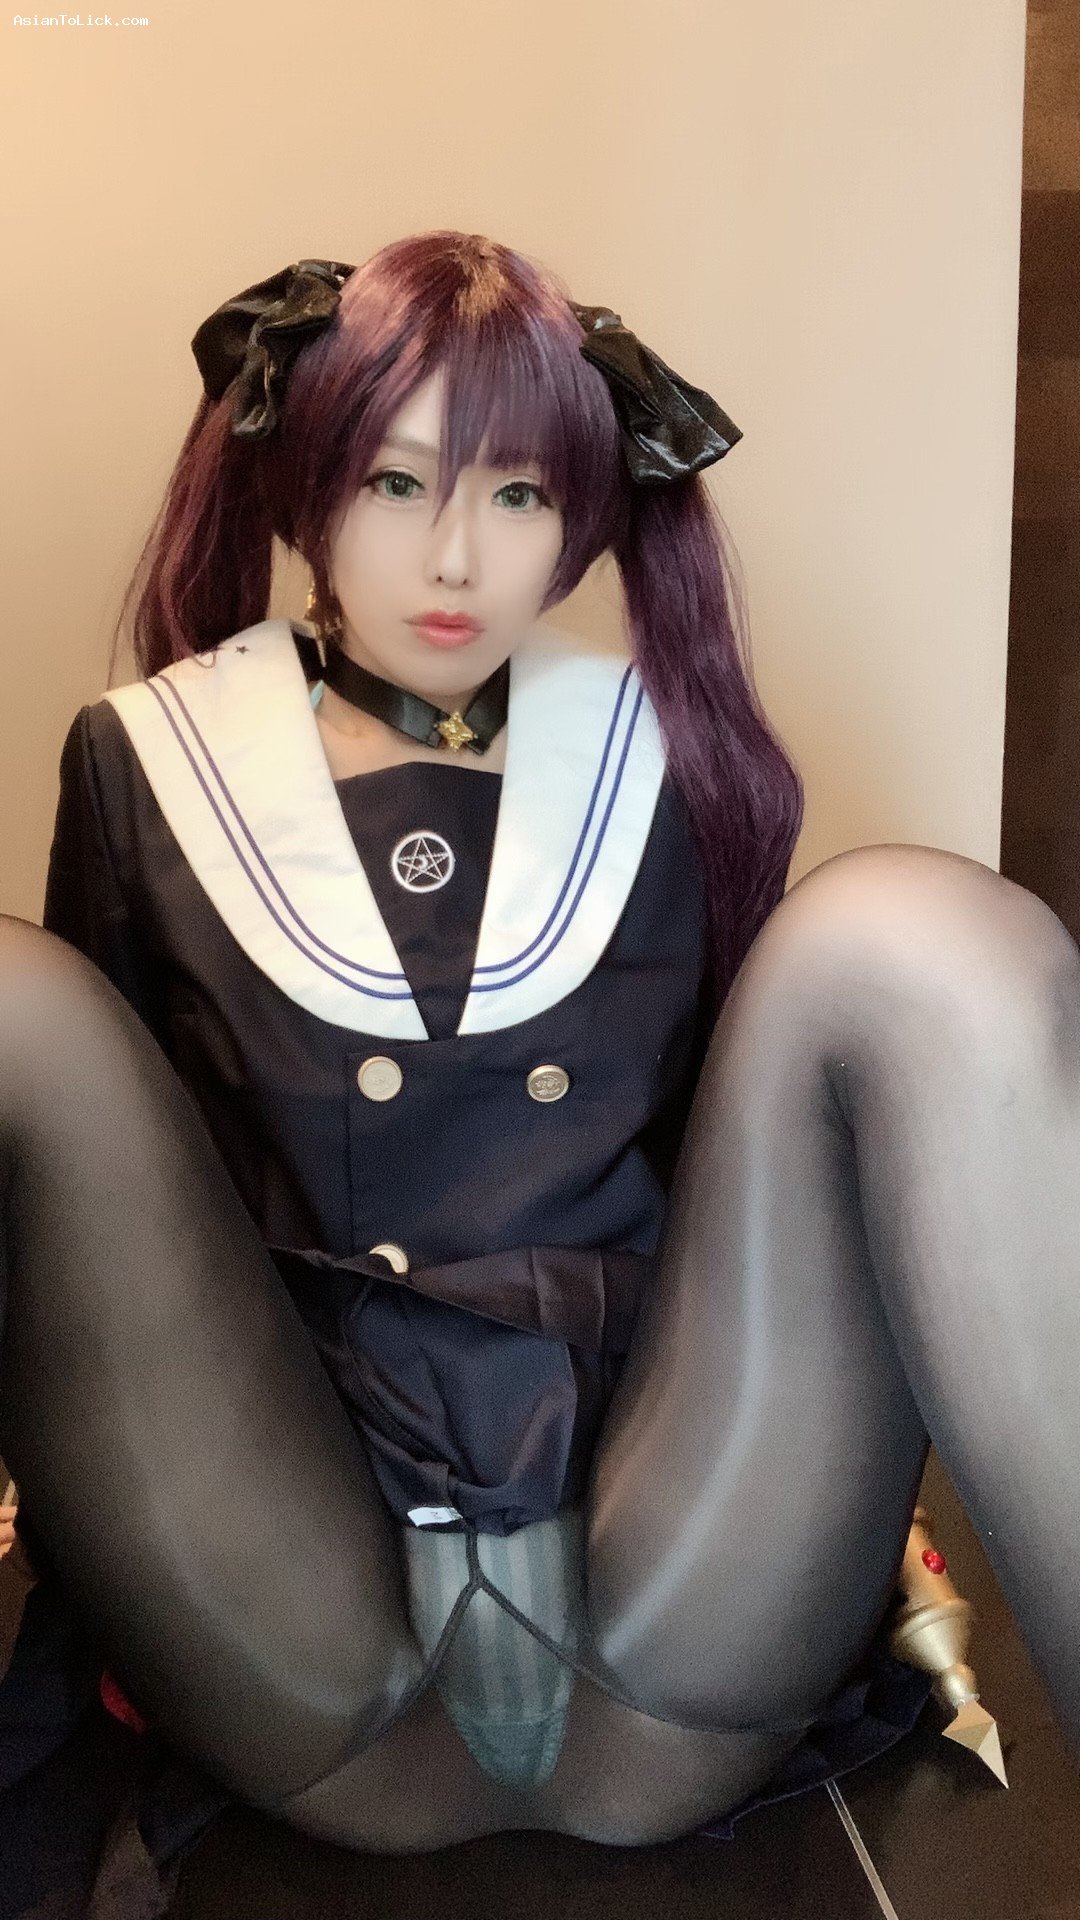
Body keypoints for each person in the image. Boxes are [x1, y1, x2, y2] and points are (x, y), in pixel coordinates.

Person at [1, 231, 1078, 1913]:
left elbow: (746, 1212)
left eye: (518, 495)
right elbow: (117, 1246)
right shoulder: (150, 759)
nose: (457, 556)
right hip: (299, 1621)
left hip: (676, 1598)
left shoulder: (662, 750)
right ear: (301, 483)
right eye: (395, 481)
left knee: (921, 935)